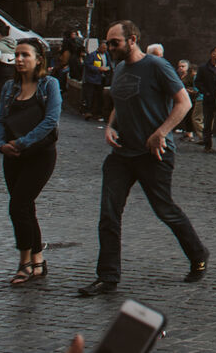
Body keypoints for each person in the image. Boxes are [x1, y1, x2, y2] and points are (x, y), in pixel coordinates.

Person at [77, 20, 208, 296]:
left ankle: (198, 254)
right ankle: (108, 277)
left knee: (164, 210)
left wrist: (161, 133)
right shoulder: (120, 68)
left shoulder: (157, 66)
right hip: (122, 155)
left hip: (153, 154)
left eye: (115, 43)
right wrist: (111, 126)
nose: (110, 47)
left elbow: (184, 102)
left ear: (132, 39)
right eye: (108, 42)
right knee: (108, 214)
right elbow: (119, 102)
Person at [0, 37, 62, 287]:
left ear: (39, 60)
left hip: (40, 154)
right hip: (13, 156)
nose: (19, 59)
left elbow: (50, 121)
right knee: (26, 208)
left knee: (18, 206)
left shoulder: (49, 85)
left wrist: (22, 142)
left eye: (25, 55)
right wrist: (1, 144)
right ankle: (38, 260)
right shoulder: (9, 87)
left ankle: (24, 263)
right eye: (17, 55)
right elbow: (1, 119)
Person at [195, 46, 216, 151]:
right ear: (212, 54)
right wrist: (206, 92)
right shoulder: (203, 68)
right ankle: (207, 144)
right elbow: (198, 82)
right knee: (207, 123)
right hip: (209, 99)